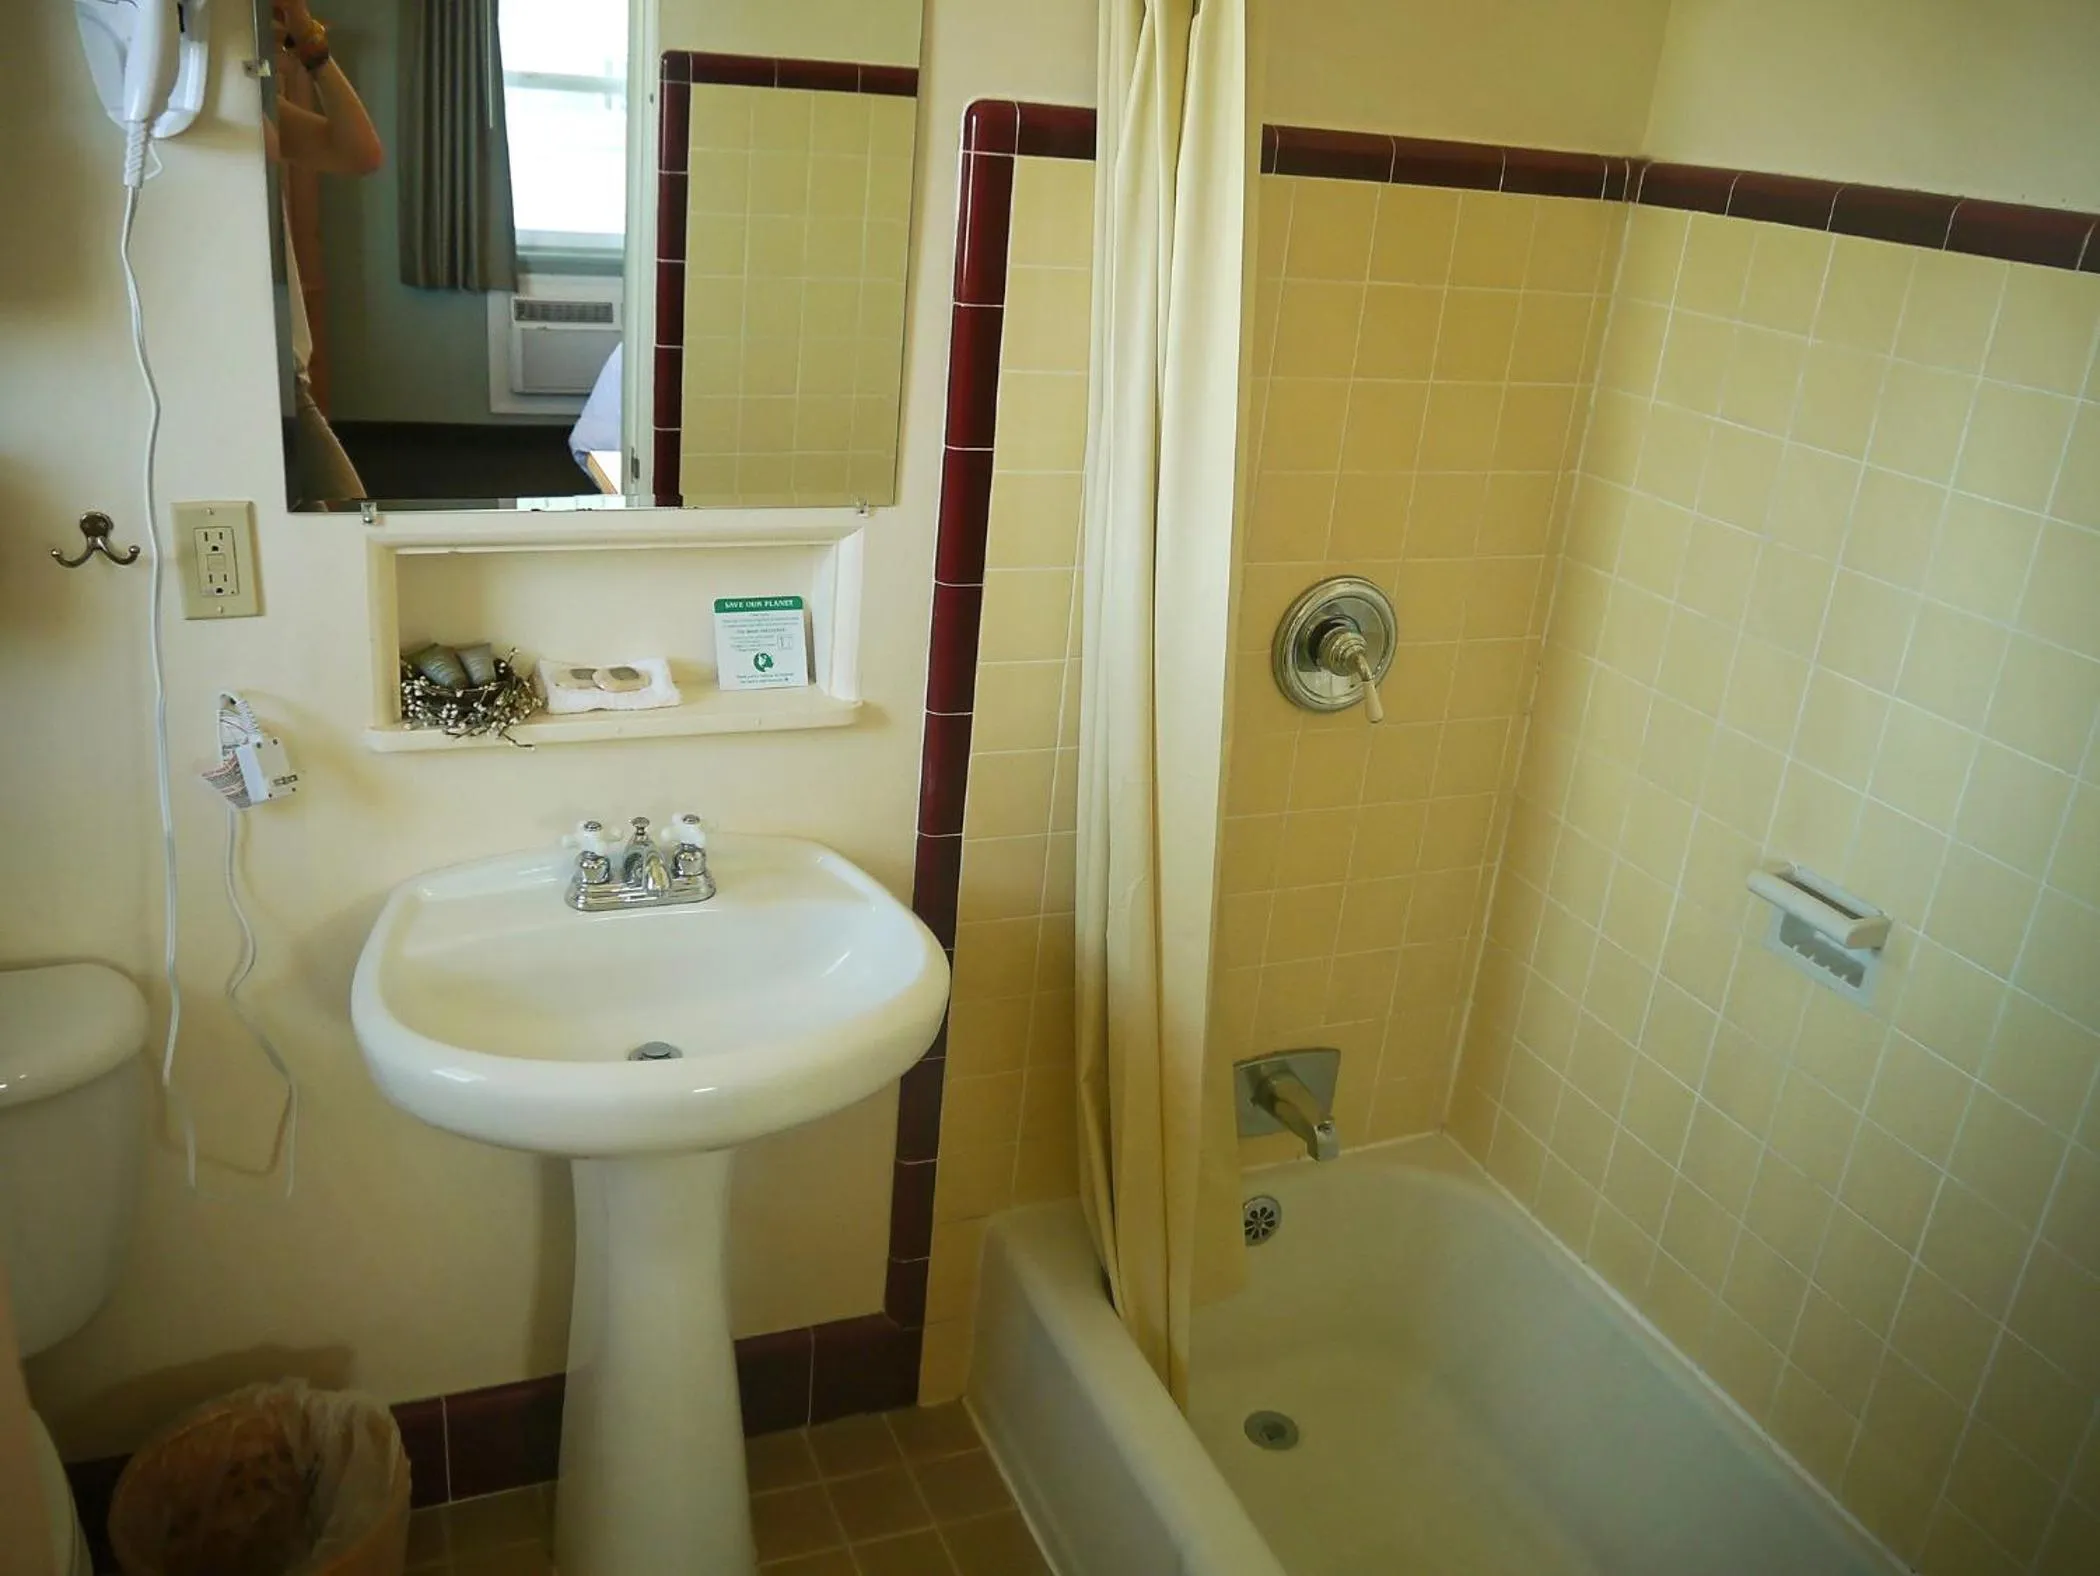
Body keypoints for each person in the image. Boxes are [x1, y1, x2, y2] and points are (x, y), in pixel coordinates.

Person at [265, 1, 381, 506]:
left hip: (283, 359)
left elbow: (360, 153)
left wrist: (312, 47)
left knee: (323, 523)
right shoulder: (206, 104)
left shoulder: (261, 108)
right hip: (257, 357)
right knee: (342, 518)